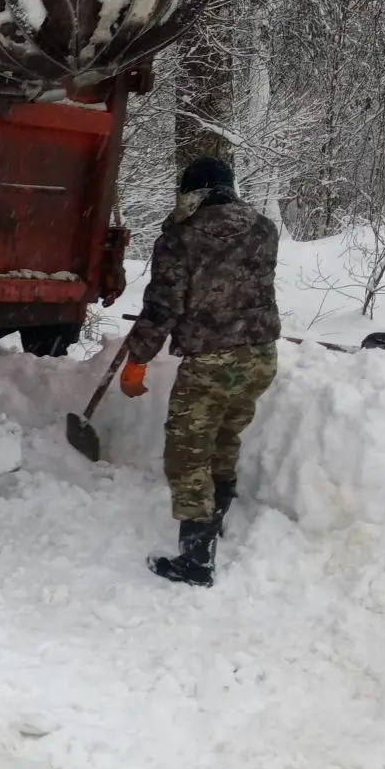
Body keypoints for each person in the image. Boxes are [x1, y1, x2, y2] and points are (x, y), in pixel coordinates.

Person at [119, 156, 280, 587]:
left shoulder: (179, 239)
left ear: (195, 193)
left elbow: (163, 308)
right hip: (261, 356)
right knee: (226, 438)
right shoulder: (265, 229)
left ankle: (195, 561)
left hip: (211, 362)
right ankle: (217, 519)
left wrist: (137, 359)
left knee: (188, 454)